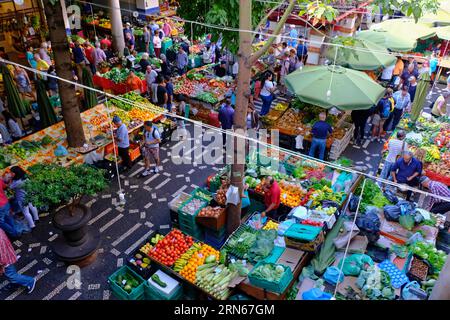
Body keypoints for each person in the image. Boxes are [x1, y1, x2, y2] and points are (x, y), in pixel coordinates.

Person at [0, 228, 36, 293]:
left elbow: (2, 256)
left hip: (6, 260)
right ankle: (14, 283)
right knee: (10, 274)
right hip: (8, 255)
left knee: (12, 275)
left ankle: (29, 281)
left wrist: (2, 265)